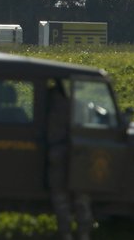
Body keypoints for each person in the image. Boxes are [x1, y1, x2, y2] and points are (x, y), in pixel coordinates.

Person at [48, 82, 93, 240]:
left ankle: (66, 232)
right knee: (81, 197)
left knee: (61, 199)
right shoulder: (79, 106)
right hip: (77, 154)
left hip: (57, 155)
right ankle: (83, 232)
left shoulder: (49, 108)